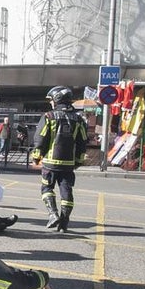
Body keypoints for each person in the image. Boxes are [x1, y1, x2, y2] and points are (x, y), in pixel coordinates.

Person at [32, 85, 88, 232]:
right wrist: (78, 161)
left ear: (57, 99)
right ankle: (64, 223)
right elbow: (82, 142)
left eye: (51, 100)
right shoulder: (78, 119)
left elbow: (40, 138)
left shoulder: (49, 116)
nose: (50, 102)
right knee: (66, 192)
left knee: (46, 188)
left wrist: (36, 157)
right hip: (68, 164)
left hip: (50, 163)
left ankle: (53, 214)